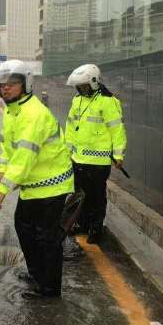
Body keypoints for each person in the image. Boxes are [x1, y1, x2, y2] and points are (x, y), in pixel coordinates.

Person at [0, 60, 74, 299]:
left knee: (47, 239)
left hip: (51, 185)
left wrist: (2, 190)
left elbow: (25, 156)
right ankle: (37, 274)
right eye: (2, 85)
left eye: (12, 84)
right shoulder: (12, 111)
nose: (5, 89)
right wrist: (3, 169)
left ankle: (49, 288)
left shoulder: (33, 114)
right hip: (33, 186)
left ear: (26, 84)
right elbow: (8, 148)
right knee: (24, 229)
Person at [64, 64, 126, 244]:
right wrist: (67, 152)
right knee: (80, 194)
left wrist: (119, 154)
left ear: (93, 82)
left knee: (97, 196)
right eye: (79, 86)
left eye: (84, 85)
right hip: (78, 159)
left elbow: (117, 130)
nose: (81, 89)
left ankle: (95, 228)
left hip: (99, 162)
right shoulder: (77, 100)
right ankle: (82, 224)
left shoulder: (107, 101)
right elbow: (70, 128)